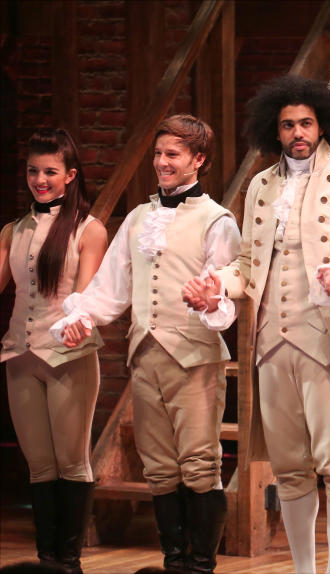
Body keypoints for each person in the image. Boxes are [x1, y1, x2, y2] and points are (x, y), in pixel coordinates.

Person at [181, 75, 330, 574]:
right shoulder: (261, 186)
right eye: (288, 124)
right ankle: (303, 570)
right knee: (290, 468)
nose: (298, 132)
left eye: (306, 123)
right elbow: (249, 265)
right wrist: (219, 285)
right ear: (274, 131)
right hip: (272, 342)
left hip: (327, 337)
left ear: (322, 126)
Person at [53, 114, 239, 573]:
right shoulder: (139, 217)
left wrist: (210, 297)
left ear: (198, 160)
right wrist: (79, 317)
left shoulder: (217, 220)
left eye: (171, 154)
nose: (161, 162)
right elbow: (111, 287)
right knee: (158, 468)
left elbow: (229, 292)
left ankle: (200, 565)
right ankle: (174, 561)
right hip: (146, 354)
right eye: (158, 154)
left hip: (194, 356)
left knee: (198, 464)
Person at [0, 129, 108, 574]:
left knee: (71, 461)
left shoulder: (88, 229)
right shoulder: (12, 230)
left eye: (50, 172)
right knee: (40, 466)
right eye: (33, 171)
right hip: (19, 356)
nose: (40, 180)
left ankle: (70, 561)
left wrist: (76, 326)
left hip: (67, 356)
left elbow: (85, 298)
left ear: (70, 176)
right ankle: (48, 561)